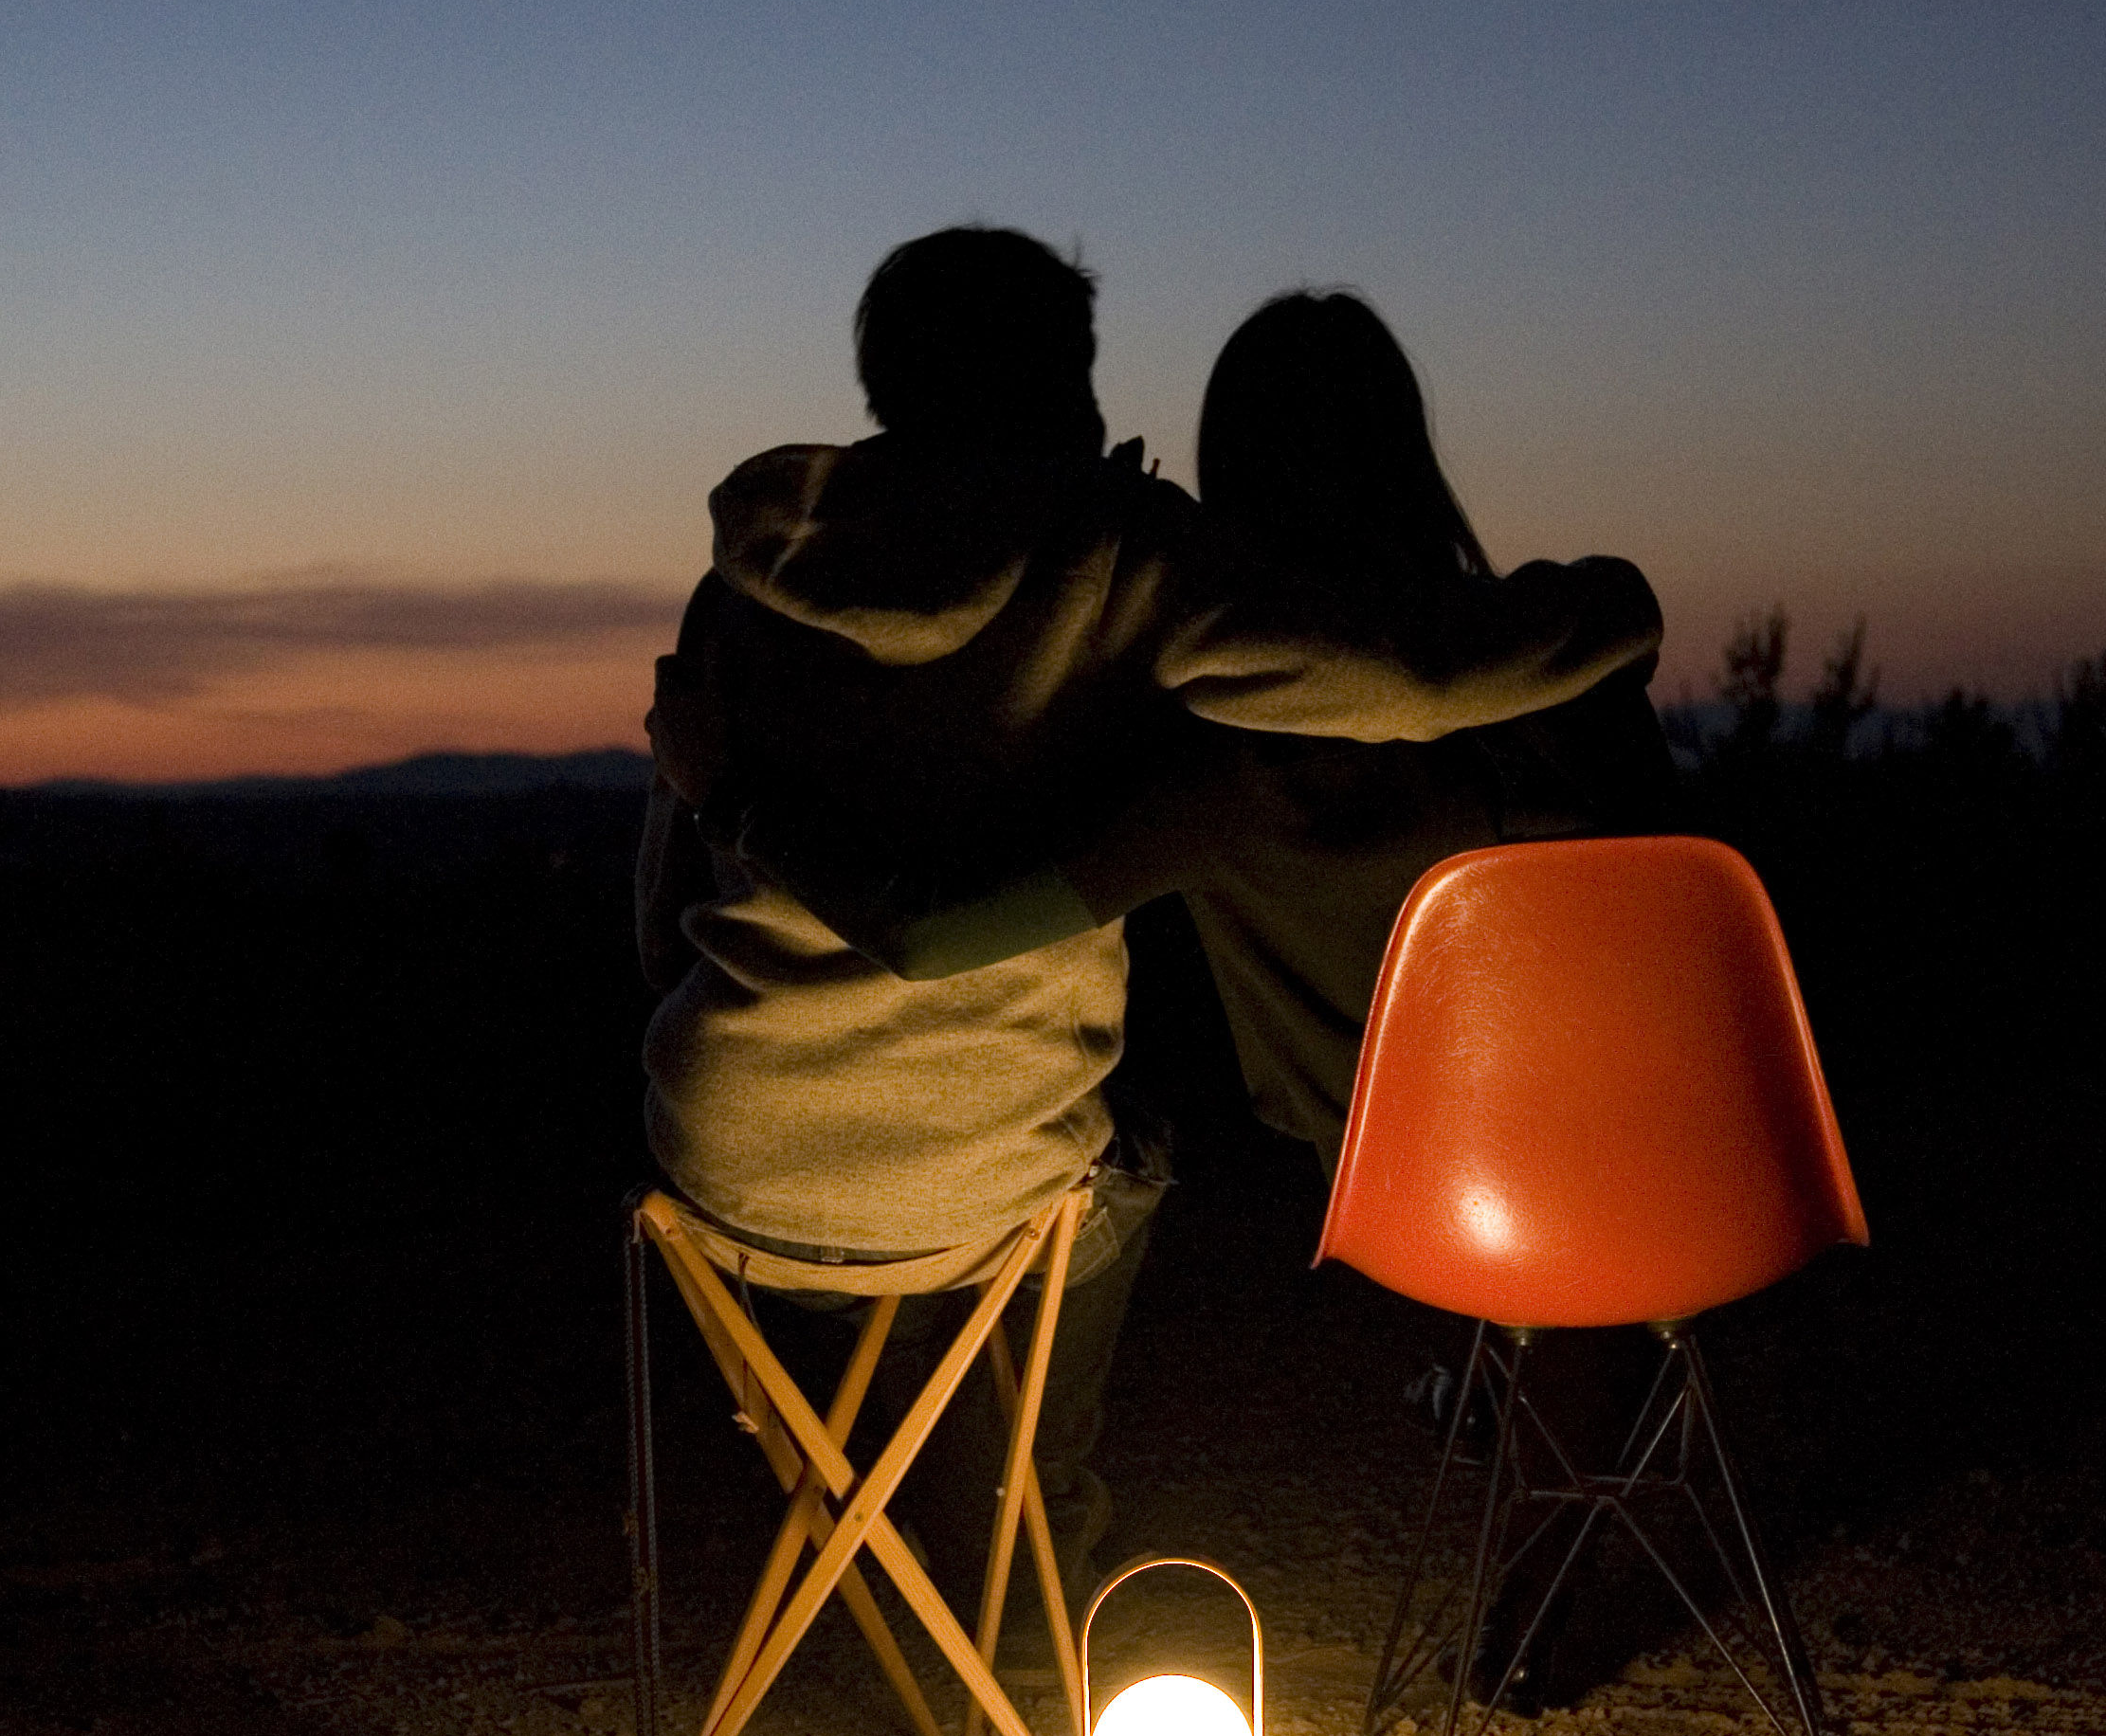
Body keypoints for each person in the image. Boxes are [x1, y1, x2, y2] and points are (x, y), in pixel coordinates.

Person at [638, 228, 1665, 1575]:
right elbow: (1408, 678)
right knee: (1122, 1151)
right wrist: (1618, 608)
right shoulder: (1131, 570)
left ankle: (893, 1503)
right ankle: (1029, 1538)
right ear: (1067, 382)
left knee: (1049, 1134)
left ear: (885, 383)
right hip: (997, 1186)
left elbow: (662, 900)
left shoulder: (750, 586)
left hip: (714, 1171)